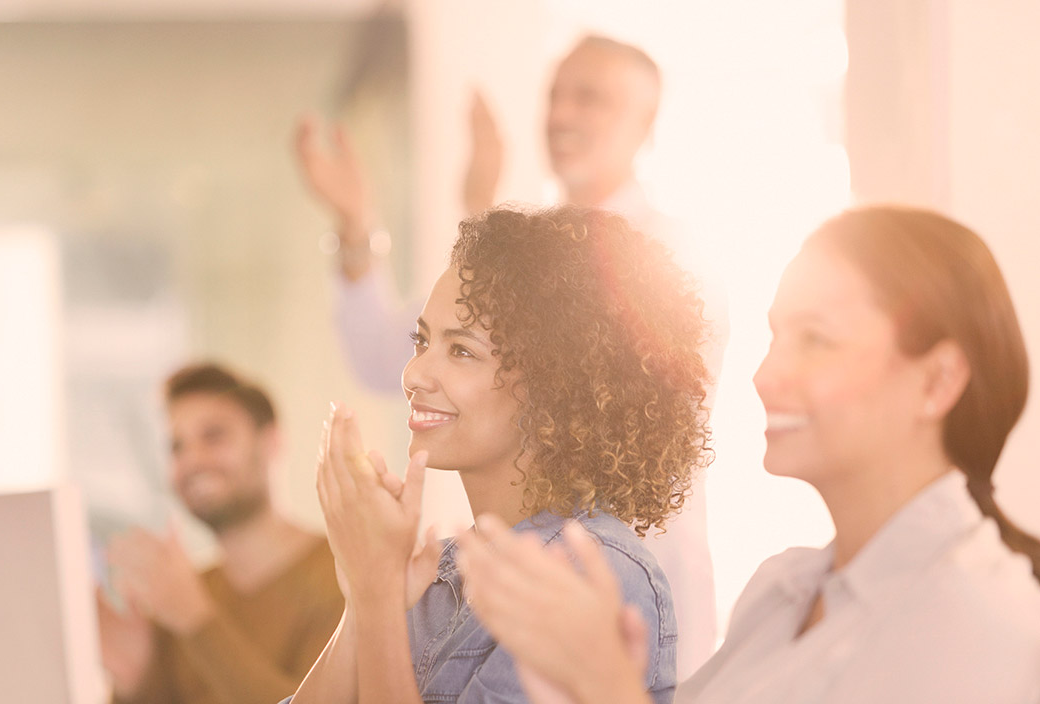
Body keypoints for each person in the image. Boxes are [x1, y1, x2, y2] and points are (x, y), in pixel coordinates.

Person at [455, 206, 1040, 704]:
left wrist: (606, 685)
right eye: (775, 337)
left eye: (817, 339)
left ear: (938, 381)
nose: (766, 376)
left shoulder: (983, 622)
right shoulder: (782, 589)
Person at [296, 34, 726, 676]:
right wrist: (359, 226)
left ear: (647, 125)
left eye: (591, 98)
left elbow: (597, 395)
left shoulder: (668, 266)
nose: (562, 115)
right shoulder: (446, 575)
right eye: (555, 94)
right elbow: (383, 355)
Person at [280, 204, 713, 704]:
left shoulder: (592, 573)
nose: (413, 375)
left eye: (461, 350)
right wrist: (362, 603)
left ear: (555, 386)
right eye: (421, 341)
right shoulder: (432, 579)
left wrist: (377, 598)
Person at [96, 363, 345, 704]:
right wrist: (134, 677)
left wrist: (197, 620)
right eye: (176, 446)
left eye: (214, 436)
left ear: (270, 442)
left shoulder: (343, 577)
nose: (193, 459)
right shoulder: (184, 593)